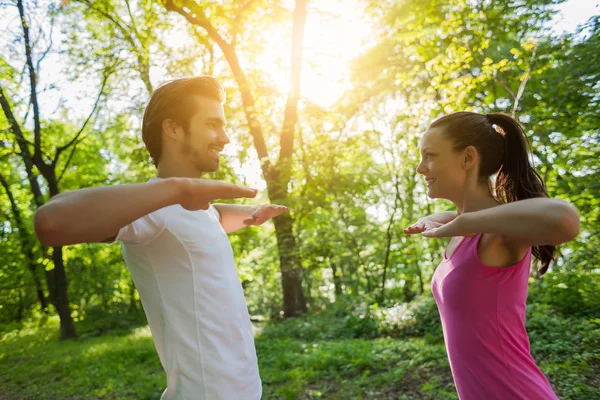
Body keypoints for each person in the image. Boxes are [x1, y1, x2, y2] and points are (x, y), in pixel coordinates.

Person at [33, 76, 287, 400]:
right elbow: (49, 222)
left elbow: (213, 217)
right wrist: (177, 188)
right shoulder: (150, 209)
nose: (224, 138)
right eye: (212, 125)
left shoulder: (197, 210)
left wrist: (252, 215)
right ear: (173, 128)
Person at [404, 112, 580, 400]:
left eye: (430, 156)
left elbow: (567, 219)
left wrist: (466, 222)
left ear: (467, 158)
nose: (421, 168)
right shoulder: (469, 229)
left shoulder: (496, 234)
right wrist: (447, 218)